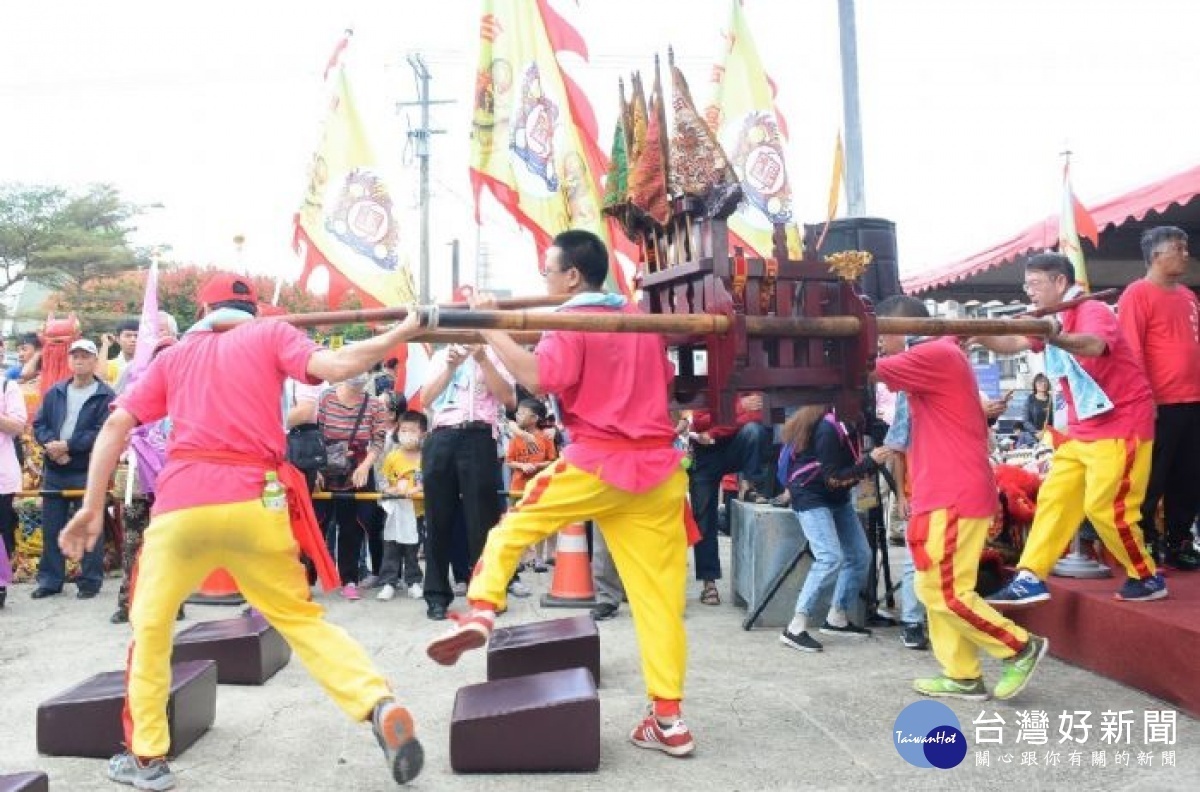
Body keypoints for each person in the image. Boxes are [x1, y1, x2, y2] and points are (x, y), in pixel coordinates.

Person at [58, 272, 426, 790]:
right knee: (301, 619)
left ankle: (146, 757)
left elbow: (116, 426)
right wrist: (399, 333)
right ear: (250, 309)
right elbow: (340, 365)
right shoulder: (272, 336)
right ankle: (375, 701)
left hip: (183, 504)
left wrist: (93, 507)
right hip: (258, 499)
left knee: (151, 626)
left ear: (202, 311)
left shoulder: (175, 356)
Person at [426, 229, 698, 757]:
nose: (544, 281)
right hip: (659, 474)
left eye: (547, 272)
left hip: (596, 463)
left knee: (510, 531)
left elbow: (535, 378)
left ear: (572, 276)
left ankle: (481, 610)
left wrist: (487, 323)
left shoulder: (571, 318)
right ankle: (669, 719)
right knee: (659, 604)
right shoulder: (644, 320)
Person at [874, 295, 1047, 702]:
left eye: (882, 334)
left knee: (944, 591)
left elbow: (865, 370)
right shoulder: (944, 346)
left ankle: (1019, 647)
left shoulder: (932, 352)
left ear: (902, 330)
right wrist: (1022, 336)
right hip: (941, 489)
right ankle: (962, 674)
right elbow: (978, 329)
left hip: (953, 491)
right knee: (935, 588)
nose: (879, 343)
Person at [979, 253, 1165, 605]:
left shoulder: (1090, 311)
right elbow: (1014, 342)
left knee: (1106, 508)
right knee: (1054, 497)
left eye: (1034, 284)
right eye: (1026, 284)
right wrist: (976, 337)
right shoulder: (1052, 317)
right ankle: (1031, 576)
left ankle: (1146, 575)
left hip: (1121, 424)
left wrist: (1053, 334)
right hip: (1082, 431)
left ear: (1060, 283)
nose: (1029, 291)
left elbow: (1094, 346)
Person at [1118, 226, 1200, 571]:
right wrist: (1143, 396)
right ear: (1156, 254)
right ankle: (1146, 541)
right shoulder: (1137, 293)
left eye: (1185, 248)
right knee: (1153, 477)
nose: (1185, 254)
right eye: (1178, 249)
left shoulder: (1188, 296)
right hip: (1159, 403)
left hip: (1193, 400)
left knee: (1190, 474)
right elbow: (1129, 349)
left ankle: (1180, 540)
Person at [419, 334, 516, 620]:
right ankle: (436, 595)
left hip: (479, 435)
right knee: (438, 518)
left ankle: (485, 593)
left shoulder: (496, 354)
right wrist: (450, 366)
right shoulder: (440, 356)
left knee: (482, 520)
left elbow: (509, 399)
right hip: (442, 436)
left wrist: (483, 359)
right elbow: (426, 399)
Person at [777, 405, 889, 653]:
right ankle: (795, 627)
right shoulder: (829, 427)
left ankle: (837, 617)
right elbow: (833, 477)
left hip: (836, 497)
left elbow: (884, 430)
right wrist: (870, 462)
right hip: (810, 494)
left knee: (860, 555)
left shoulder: (857, 418)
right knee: (829, 557)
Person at [31, 339, 115, 600]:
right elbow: (39, 423)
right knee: (51, 526)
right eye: (75, 356)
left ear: (94, 361)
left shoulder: (106, 395)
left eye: (85, 356)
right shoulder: (55, 391)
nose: (79, 360)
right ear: (69, 360)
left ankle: (89, 581)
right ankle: (50, 580)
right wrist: (51, 446)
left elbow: (103, 430)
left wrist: (69, 446)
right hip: (55, 467)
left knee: (89, 525)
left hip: (86, 468)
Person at [111, 336, 183, 625]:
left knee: (170, 542)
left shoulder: (191, 393)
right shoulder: (138, 389)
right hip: (138, 475)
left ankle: (171, 602)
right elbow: (117, 420)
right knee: (131, 539)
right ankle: (128, 600)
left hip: (175, 476)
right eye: (160, 355)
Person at [686, 392, 770, 606]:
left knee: (754, 431)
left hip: (731, 446)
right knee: (704, 518)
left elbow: (754, 419)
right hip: (704, 454)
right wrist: (738, 408)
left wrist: (715, 429)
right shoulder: (707, 380)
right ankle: (709, 582)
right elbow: (698, 422)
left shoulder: (751, 379)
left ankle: (748, 484)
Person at [314, 374, 388, 599]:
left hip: (357, 468)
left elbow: (378, 440)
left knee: (352, 526)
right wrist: (316, 467)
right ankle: (305, 578)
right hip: (326, 467)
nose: (358, 380)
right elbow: (315, 434)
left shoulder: (375, 404)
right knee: (317, 523)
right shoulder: (326, 397)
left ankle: (350, 579)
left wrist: (365, 466)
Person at [378, 410, 427, 601]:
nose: (406, 433)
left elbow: (430, 479)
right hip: (395, 510)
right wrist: (390, 490)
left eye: (412, 430)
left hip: (416, 511)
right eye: (403, 429)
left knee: (412, 548)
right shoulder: (392, 456)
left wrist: (419, 489)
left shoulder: (425, 456)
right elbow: (382, 479)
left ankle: (414, 581)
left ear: (422, 432)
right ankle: (389, 582)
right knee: (391, 546)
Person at [0, 341, 28, 610]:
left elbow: (18, 426)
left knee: (1, 532)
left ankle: (0, 585)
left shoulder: (8, 386)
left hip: (2, 476)